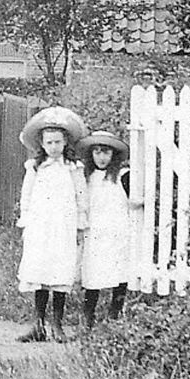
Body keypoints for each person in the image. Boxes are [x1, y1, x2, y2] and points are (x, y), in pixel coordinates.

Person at [15, 106, 88, 344]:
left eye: (58, 142)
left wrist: (80, 226)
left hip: (63, 227)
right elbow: (26, 197)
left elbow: (81, 197)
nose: (54, 147)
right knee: (40, 270)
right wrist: (26, 223)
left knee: (60, 272)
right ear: (42, 144)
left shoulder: (73, 168)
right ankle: (37, 324)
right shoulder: (35, 168)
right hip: (41, 226)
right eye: (49, 143)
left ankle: (57, 323)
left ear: (66, 142)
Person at [77, 131, 141, 333]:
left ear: (113, 155)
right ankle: (88, 317)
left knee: (120, 272)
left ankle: (115, 314)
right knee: (92, 274)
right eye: (97, 152)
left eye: (106, 152)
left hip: (117, 231)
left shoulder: (123, 176)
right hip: (94, 232)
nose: (101, 157)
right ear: (91, 154)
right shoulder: (85, 176)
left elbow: (135, 200)